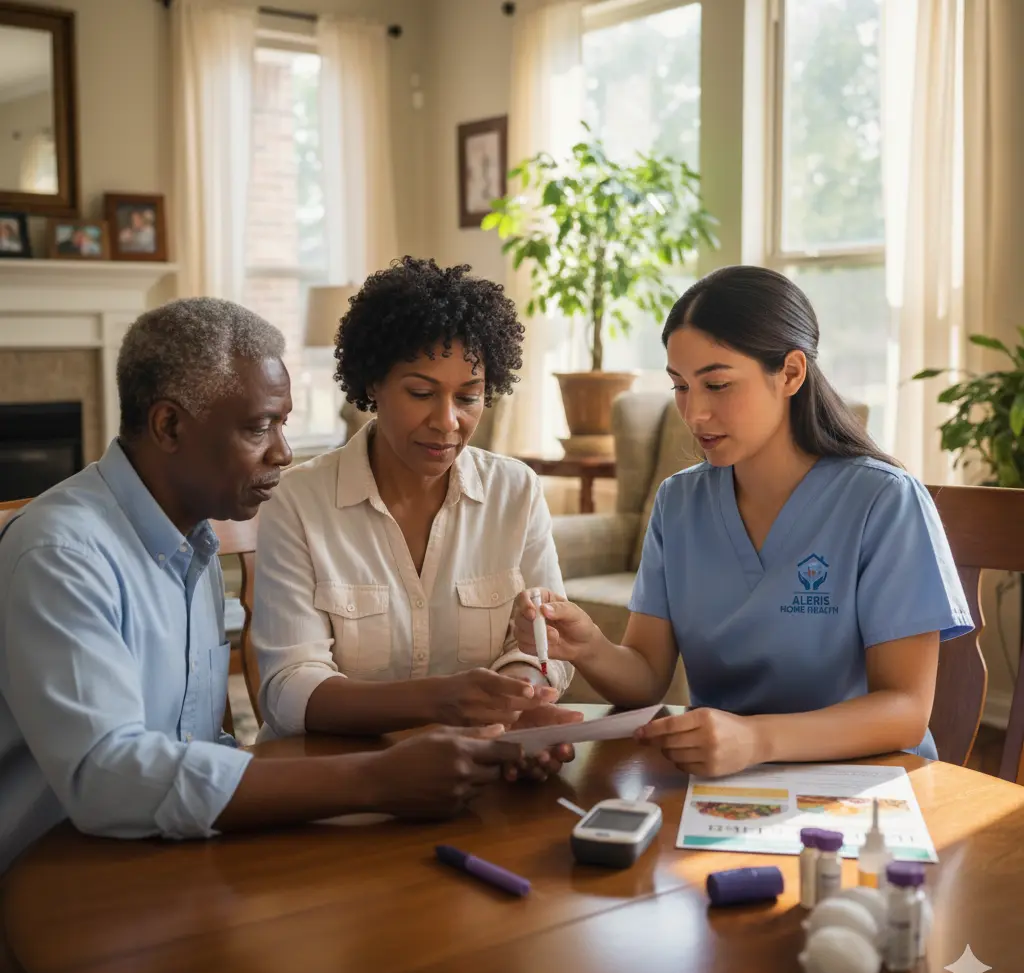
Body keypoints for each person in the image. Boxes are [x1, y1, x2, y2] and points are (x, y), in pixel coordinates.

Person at [0, 298, 524, 879]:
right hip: (48, 885)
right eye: (258, 427)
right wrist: (373, 780)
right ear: (169, 425)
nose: (284, 452)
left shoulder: (188, 542)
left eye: (283, 422)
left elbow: (196, 750)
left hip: (162, 861)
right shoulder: (61, 553)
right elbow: (107, 777)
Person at [512, 265, 973, 778]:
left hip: (865, 783)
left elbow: (906, 711)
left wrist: (755, 739)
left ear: (792, 373)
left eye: (717, 384)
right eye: (681, 386)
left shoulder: (884, 502)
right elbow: (646, 677)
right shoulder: (679, 502)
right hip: (723, 784)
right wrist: (590, 646)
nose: (694, 413)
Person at [252, 257, 579, 781]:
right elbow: (289, 692)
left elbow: (545, 647)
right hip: (338, 784)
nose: (448, 422)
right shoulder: (297, 502)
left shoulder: (515, 491)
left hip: (479, 774)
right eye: (422, 394)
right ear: (373, 385)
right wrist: (437, 703)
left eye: (469, 397)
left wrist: (514, 701)